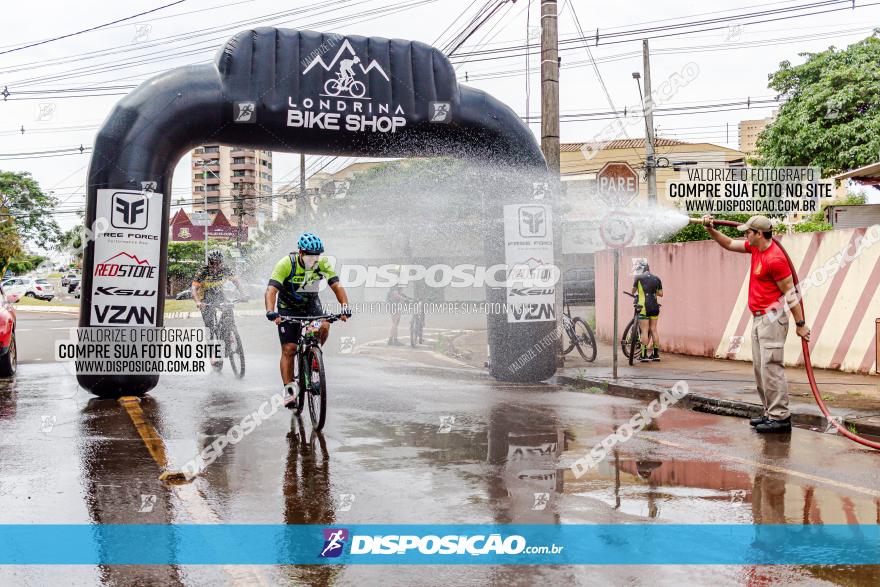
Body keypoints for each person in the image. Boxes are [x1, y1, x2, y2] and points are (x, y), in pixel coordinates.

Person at [701, 215, 810, 433]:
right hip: (759, 318)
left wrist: (800, 324)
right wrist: (711, 229)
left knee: (771, 368)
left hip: (772, 318)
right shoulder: (756, 249)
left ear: (759, 234)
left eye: (748, 232)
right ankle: (770, 412)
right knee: (760, 369)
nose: (744, 235)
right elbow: (730, 244)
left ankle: (780, 417)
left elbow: (790, 294)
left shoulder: (775, 259)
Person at [265, 232, 349, 409]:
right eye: (310, 255)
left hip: (311, 306)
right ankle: (289, 391)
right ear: (301, 253)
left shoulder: (323, 264)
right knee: (289, 348)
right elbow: (271, 290)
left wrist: (344, 306)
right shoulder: (286, 263)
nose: (314, 259)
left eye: (317, 255)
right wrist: (271, 311)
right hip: (287, 308)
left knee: (324, 323)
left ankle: (313, 355)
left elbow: (336, 286)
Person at [192, 250, 247, 368]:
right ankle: (212, 356)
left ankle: (230, 330)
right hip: (205, 298)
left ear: (221, 262)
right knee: (210, 326)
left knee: (228, 308)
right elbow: (194, 289)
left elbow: (237, 282)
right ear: (209, 263)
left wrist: (243, 294)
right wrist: (198, 302)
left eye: (218, 263)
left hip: (218, 294)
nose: (216, 266)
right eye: (213, 263)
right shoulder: (202, 271)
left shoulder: (225, 269)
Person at [632, 259, 663, 362]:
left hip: (644, 307)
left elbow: (633, 291)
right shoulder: (656, 278)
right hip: (655, 306)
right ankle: (655, 354)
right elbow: (661, 294)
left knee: (644, 330)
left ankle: (644, 355)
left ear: (642, 270)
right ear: (649, 269)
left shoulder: (638, 278)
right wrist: (652, 291)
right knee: (654, 329)